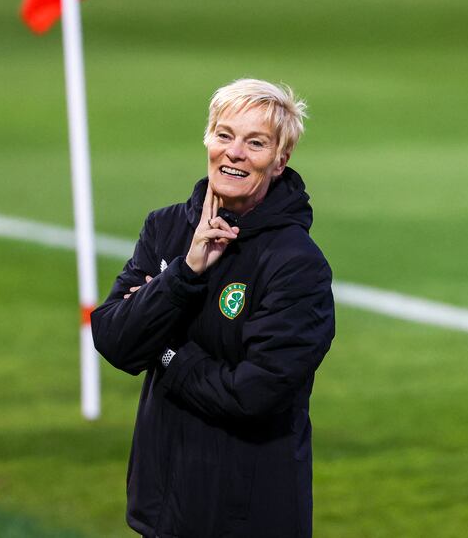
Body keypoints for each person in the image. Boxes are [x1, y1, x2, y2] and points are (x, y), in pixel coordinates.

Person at [92, 78, 335, 538]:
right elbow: (114, 339)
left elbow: (253, 394)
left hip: (247, 519)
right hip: (162, 509)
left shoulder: (297, 264)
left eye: (255, 143)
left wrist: (168, 351)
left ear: (280, 160)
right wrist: (184, 273)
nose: (234, 153)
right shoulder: (166, 228)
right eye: (224, 135)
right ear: (208, 139)